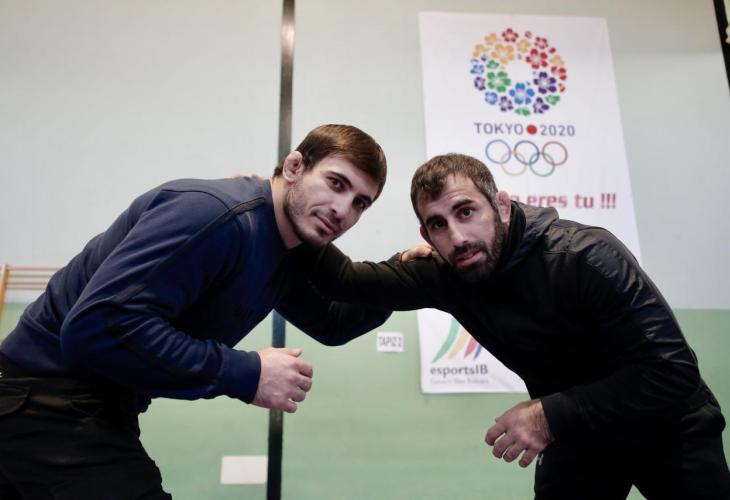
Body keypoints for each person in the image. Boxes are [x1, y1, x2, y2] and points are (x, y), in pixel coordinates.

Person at [307, 153, 730, 499]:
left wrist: (548, 414)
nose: (458, 237)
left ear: (502, 207)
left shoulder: (584, 256)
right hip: (577, 435)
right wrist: (279, 210)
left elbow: (672, 371)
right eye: (438, 224)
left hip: (667, 424)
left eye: (466, 211)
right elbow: (342, 282)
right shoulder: (445, 272)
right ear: (426, 234)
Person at [0, 124, 390, 499]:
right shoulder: (214, 215)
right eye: (335, 183)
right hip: (41, 401)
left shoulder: (283, 253)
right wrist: (246, 372)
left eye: (360, 203)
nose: (342, 210)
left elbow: (335, 323)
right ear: (293, 167)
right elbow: (97, 327)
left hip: (82, 407)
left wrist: (411, 270)